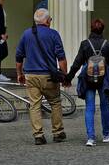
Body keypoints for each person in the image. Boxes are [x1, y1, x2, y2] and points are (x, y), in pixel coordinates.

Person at [14, 8, 69, 145]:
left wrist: (19, 74)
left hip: (31, 76)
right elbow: (61, 58)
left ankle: (38, 135)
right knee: (55, 102)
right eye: (50, 19)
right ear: (46, 21)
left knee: (34, 105)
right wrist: (65, 76)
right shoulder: (53, 34)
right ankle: (57, 133)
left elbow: (19, 57)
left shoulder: (26, 34)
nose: (51, 21)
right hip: (49, 76)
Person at [69, 18, 109, 147]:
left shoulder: (85, 44)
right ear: (103, 29)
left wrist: (68, 78)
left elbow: (76, 63)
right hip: (104, 79)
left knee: (89, 107)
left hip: (88, 78)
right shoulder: (108, 44)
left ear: (91, 29)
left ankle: (91, 138)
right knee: (104, 106)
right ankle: (106, 134)